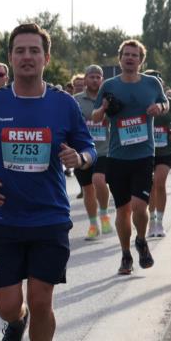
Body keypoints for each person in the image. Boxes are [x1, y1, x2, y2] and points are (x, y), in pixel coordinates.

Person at [0, 24, 95, 341]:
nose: (27, 57)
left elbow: (88, 148)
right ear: (11, 57)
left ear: (46, 57)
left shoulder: (63, 104)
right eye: (20, 50)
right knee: (9, 304)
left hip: (50, 219)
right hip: (6, 220)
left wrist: (80, 158)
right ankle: (15, 323)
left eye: (34, 51)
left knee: (43, 299)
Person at [92, 41, 168, 274]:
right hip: (117, 156)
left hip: (144, 154)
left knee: (138, 206)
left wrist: (159, 108)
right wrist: (103, 108)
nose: (130, 58)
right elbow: (95, 119)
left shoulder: (151, 83)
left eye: (135, 55)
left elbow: (164, 103)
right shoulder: (109, 85)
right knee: (123, 210)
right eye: (126, 54)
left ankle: (142, 240)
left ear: (141, 60)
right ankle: (126, 254)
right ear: (120, 58)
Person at [72, 65, 113, 240]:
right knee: (88, 189)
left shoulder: (108, 99)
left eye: (98, 77)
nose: (95, 80)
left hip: (104, 150)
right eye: (92, 77)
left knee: (99, 180)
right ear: (85, 79)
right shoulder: (75, 100)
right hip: (82, 152)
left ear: (102, 80)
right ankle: (93, 225)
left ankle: (104, 214)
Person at [148, 94, 171, 238]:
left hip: (166, 149)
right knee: (150, 186)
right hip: (145, 150)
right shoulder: (140, 101)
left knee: (159, 182)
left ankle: (160, 222)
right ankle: (151, 222)